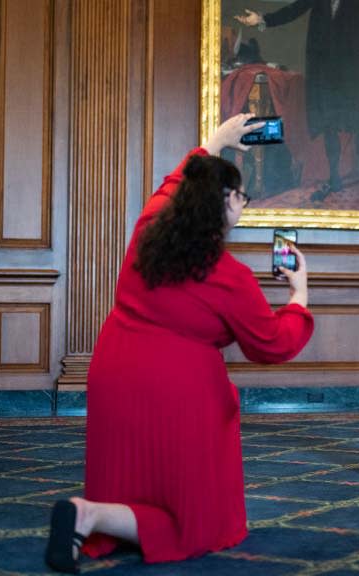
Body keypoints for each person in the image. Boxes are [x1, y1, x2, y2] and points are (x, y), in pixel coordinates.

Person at [44, 113, 315, 573]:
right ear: (227, 200)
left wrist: (215, 141)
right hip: (179, 392)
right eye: (242, 198)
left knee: (128, 474)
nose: (244, 206)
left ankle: (92, 514)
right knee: (196, 525)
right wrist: (300, 296)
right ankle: (88, 514)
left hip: (113, 373)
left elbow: (172, 183)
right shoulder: (230, 276)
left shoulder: (148, 228)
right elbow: (270, 343)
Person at [235, 0, 359, 200]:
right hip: (325, 75)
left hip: (353, 75)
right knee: (329, 127)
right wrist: (262, 19)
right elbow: (294, 10)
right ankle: (334, 179)